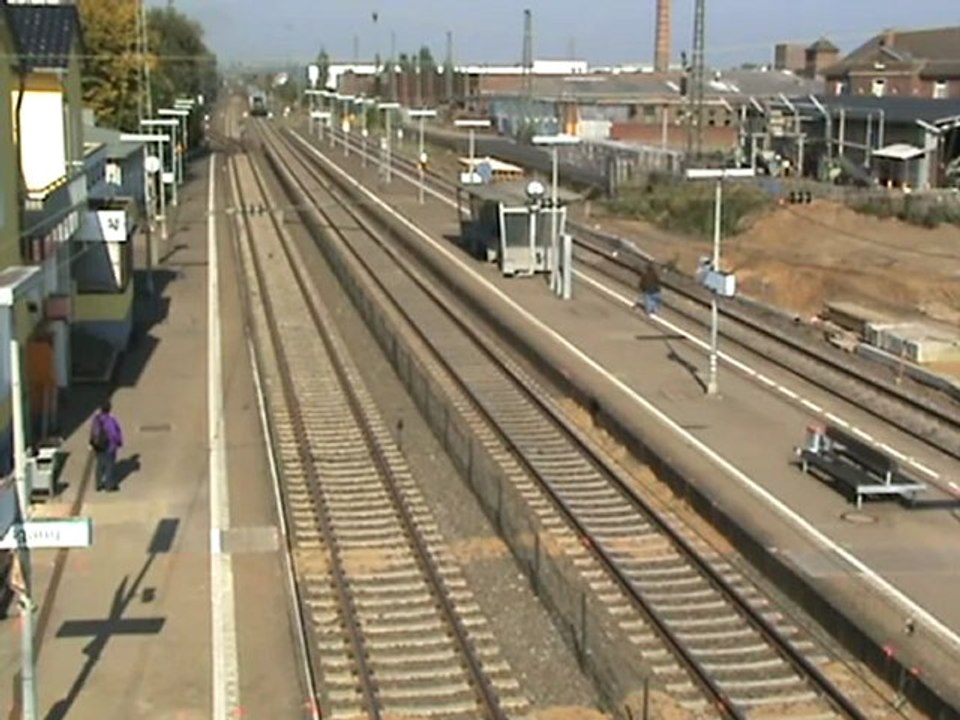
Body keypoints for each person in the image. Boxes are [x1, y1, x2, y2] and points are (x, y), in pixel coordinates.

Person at [89, 402, 123, 492]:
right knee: (109, 466)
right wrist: (118, 443)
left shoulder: (96, 419)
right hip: (108, 447)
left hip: (98, 446)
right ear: (109, 409)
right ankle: (109, 486)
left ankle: (98, 484)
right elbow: (114, 434)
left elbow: (93, 432)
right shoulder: (110, 420)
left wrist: (93, 443)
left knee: (99, 465)